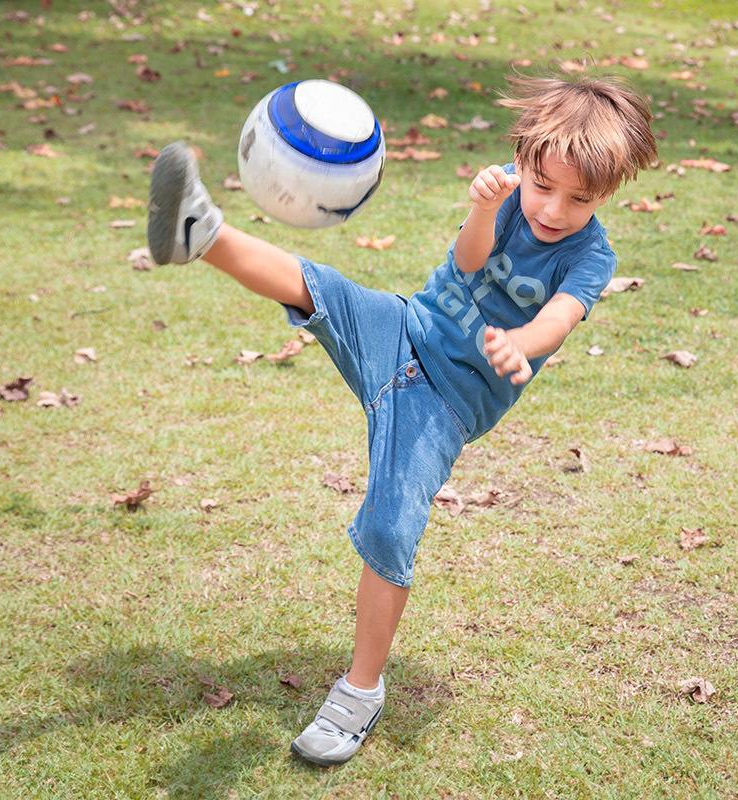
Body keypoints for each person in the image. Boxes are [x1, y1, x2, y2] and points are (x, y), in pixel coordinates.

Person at [146, 71, 657, 766]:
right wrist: (485, 208)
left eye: (580, 199)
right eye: (543, 186)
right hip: (404, 330)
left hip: (444, 403)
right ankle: (199, 232)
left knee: (391, 528)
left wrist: (522, 342)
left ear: (610, 192)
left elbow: (560, 319)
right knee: (318, 287)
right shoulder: (507, 194)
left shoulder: (592, 256)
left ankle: (360, 691)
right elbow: (467, 261)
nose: (554, 208)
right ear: (522, 157)